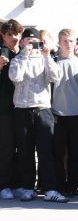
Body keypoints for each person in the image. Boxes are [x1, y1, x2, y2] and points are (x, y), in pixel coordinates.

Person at [9, 28, 67, 203]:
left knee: (46, 152)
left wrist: (47, 54)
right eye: (28, 41)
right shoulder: (17, 59)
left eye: (35, 41)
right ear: (22, 42)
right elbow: (15, 77)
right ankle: (28, 188)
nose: (32, 44)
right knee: (25, 152)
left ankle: (50, 189)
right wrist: (24, 56)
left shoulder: (45, 58)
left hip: (43, 109)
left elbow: (56, 76)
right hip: (22, 110)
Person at [52, 28, 78, 198]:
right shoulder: (52, 62)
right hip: (57, 115)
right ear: (59, 42)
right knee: (57, 154)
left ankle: (74, 186)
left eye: (72, 41)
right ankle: (59, 186)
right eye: (66, 41)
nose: (69, 44)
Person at [0, 19, 23, 200]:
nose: (13, 37)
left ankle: (18, 183)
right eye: (9, 34)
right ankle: (4, 185)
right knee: (7, 148)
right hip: (5, 109)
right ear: (3, 36)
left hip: (23, 107)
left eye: (16, 33)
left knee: (22, 147)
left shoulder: (26, 53)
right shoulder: (1, 53)